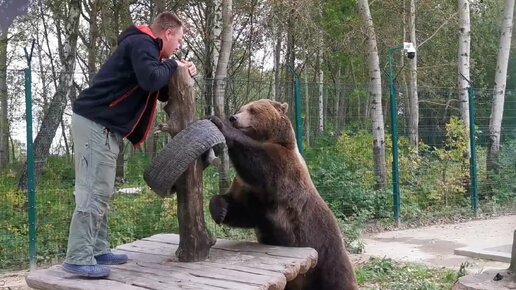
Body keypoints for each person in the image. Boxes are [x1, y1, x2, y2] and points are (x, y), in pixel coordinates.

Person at [62, 11, 196, 278]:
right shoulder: (142, 44)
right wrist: (173, 66)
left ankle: (97, 249)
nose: (178, 46)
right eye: (179, 40)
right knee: (94, 190)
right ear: (168, 33)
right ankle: (78, 256)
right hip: (95, 123)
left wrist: (181, 71)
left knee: (102, 189)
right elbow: (150, 78)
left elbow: (156, 90)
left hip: (103, 126)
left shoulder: (147, 50)